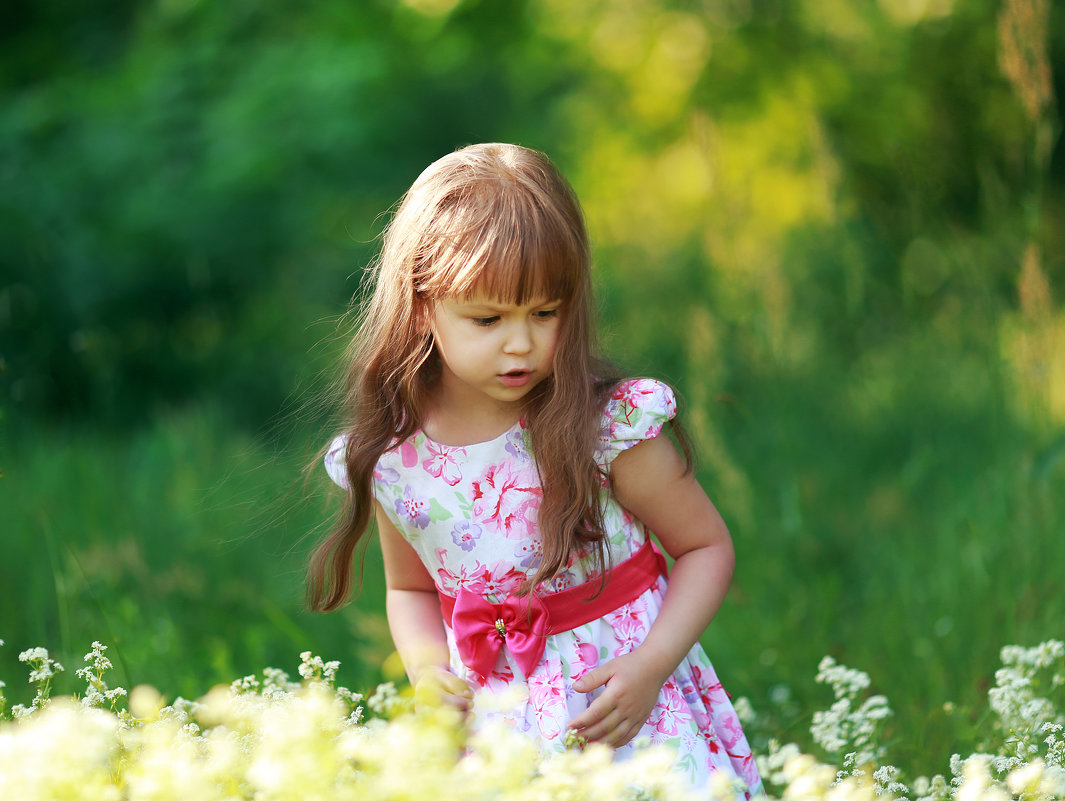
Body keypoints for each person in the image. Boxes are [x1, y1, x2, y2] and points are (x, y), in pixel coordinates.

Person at [309, 142, 762, 798]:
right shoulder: (396, 460)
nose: (520, 342)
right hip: (499, 729)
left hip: (623, 710)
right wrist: (428, 669)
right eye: (487, 318)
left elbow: (703, 545)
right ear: (421, 305)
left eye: (544, 313)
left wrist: (651, 664)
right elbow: (412, 590)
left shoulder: (603, 428)